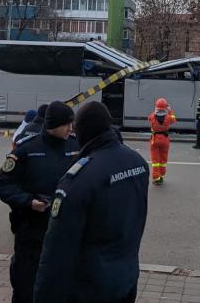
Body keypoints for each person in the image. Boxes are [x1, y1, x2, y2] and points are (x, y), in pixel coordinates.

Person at [34, 101, 149, 303]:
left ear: (82, 132)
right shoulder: (137, 162)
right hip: (127, 279)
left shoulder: (78, 179)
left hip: (91, 287)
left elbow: (56, 252)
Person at [0, 101, 79, 303]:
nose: (71, 128)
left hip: (64, 231)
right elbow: (3, 185)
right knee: (26, 286)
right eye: (66, 124)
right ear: (53, 124)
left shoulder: (76, 145)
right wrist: (29, 202)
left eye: (72, 123)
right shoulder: (26, 150)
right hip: (31, 231)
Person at [148, 98, 176, 185]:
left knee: (155, 160)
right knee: (163, 158)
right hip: (165, 139)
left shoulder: (152, 117)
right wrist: (170, 110)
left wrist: (157, 109)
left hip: (155, 139)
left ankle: (157, 178)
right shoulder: (168, 118)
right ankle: (162, 175)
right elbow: (174, 119)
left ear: (156, 107)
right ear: (165, 107)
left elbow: (149, 118)